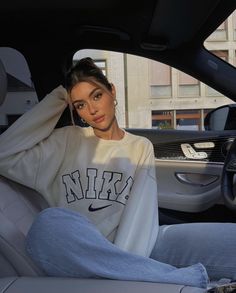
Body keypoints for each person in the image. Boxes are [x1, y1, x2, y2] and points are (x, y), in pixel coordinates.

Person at [0, 57, 236, 289]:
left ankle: (150, 277)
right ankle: (185, 281)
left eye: (97, 96)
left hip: (136, 248)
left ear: (112, 92)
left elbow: (140, 215)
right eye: (80, 104)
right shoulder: (66, 141)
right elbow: (4, 153)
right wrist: (58, 97)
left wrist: (125, 270)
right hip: (78, 252)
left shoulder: (139, 146)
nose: (92, 109)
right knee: (48, 225)